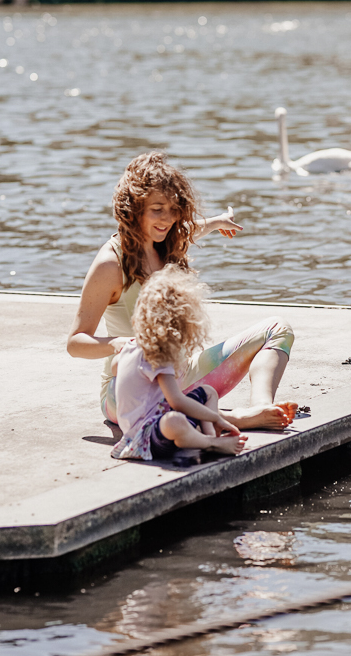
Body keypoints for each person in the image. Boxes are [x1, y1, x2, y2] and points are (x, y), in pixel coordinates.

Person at [67, 151, 297, 430]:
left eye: (174, 209)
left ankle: (261, 407)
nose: (167, 219)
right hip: (128, 387)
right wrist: (119, 344)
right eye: (157, 209)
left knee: (278, 328)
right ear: (134, 208)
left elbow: (190, 229)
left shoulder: (168, 240)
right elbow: (76, 342)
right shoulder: (110, 264)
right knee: (156, 388)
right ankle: (231, 419)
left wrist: (218, 222)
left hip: (180, 374)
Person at [111, 265, 248, 460]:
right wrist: (216, 417)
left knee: (208, 392)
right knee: (174, 421)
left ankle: (208, 438)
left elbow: (114, 366)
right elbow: (177, 401)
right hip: (146, 438)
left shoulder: (132, 345)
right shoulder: (157, 354)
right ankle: (211, 443)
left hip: (159, 421)